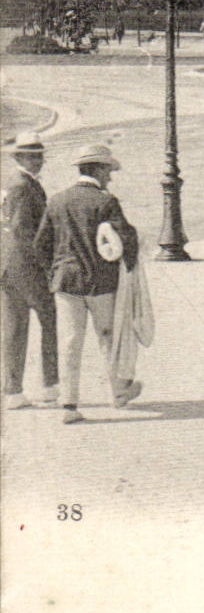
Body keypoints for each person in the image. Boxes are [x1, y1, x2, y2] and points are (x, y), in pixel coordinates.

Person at [32, 144, 140, 423]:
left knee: (69, 342)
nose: (111, 177)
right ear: (98, 169)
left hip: (66, 282)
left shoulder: (57, 200)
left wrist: (54, 272)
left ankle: (69, 406)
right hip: (101, 283)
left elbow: (40, 245)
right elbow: (126, 239)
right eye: (108, 171)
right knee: (107, 338)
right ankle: (118, 394)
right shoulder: (106, 202)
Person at [2, 132, 57, 409]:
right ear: (18, 157)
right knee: (50, 320)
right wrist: (47, 265)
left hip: (10, 268)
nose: (38, 160)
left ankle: (13, 391)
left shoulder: (17, 183)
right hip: (28, 267)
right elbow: (26, 233)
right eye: (31, 156)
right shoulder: (24, 186)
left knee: (14, 328)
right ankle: (50, 386)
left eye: (39, 155)